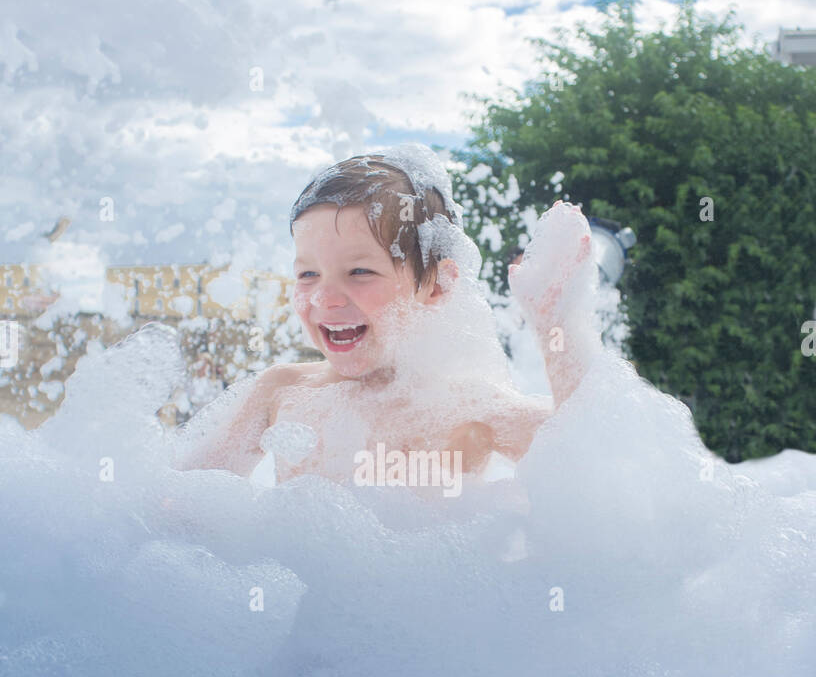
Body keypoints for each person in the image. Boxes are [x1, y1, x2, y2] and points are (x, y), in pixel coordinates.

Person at [175, 147, 600, 485]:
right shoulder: (279, 392)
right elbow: (183, 507)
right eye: (307, 274)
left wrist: (558, 326)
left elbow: (592, 468)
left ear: (437, 285)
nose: (325, 298)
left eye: (359, 271)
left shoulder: (468, 411)